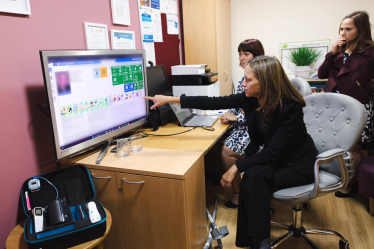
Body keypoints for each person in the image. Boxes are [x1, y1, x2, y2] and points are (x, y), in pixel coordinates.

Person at [145, 56, 318, 249]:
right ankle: (258, 242)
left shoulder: (290, 107)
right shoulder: (251, 99)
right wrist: (170, 99)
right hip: (277, 159)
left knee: (254, 180)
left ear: (266, 82)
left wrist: (236, 166)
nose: (243, 84)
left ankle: (258, 243)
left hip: (297, 163)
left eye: (248, 79)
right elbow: (213, 102)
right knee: (252, 177)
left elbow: (274, 151)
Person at [318, 11, 374, 198]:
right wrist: (332, 53)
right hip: (335, 106)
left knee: (355, 147)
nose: (343, 33)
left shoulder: (370, 52)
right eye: (341, 28)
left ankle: (350, 184)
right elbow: (321, 74)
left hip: (358, 105)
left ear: (361, 30)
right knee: (340, 146)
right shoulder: (339, 51)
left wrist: (365, 87)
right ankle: (350, 179)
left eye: (348, 29)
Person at [220, 39, 265, 209]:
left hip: (256, 128)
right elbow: (238, 102)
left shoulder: (260, 79)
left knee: (226, 150)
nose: (241, 57)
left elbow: (259, 113)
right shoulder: (245, 78)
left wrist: (236, 118)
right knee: (224, 141)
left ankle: (238, 193)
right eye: (240, 53)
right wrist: (230, 113)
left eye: (246, 54)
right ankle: (239, 186)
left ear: (257, 56)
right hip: (245, 124)